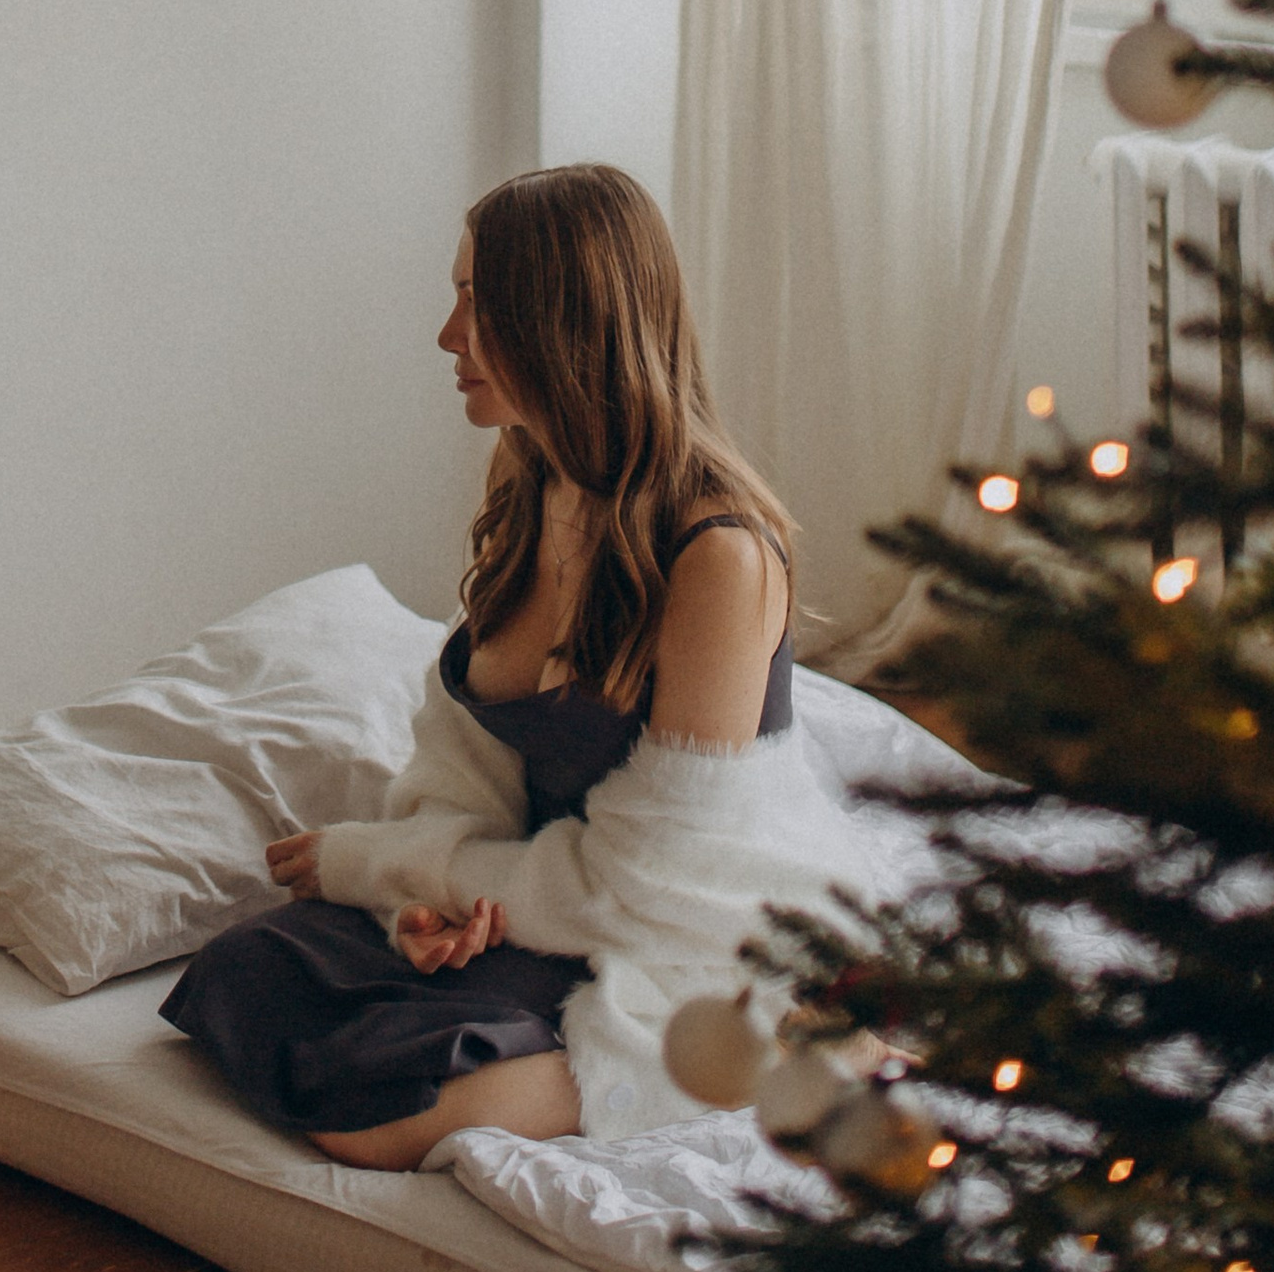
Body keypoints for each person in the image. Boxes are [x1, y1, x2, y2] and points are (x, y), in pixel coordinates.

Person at [162, 163, 801, 1168]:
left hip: (665, 925)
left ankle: (732, 1052)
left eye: (477, 301)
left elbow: (656, 883)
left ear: (567, 317)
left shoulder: (718, 557)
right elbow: (467, 766)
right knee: (246, 969)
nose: (447, 336)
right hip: (540, 901)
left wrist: (367, 862)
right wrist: (426, 908)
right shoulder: (531, 493)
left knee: (366, 1118)